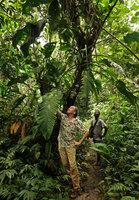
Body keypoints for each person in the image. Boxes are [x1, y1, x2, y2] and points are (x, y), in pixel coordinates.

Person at [57, 106, 89, 199]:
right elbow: (56, 109)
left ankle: (76, 188)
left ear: (74, 112)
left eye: (71, 108)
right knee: (65, 164)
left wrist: (79, 142)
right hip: (61, 144)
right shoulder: (63, 117)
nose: (69, 108)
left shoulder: (77, 122)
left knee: (73, 166)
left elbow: (86, 131)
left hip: (70, 146)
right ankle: (73, 180)